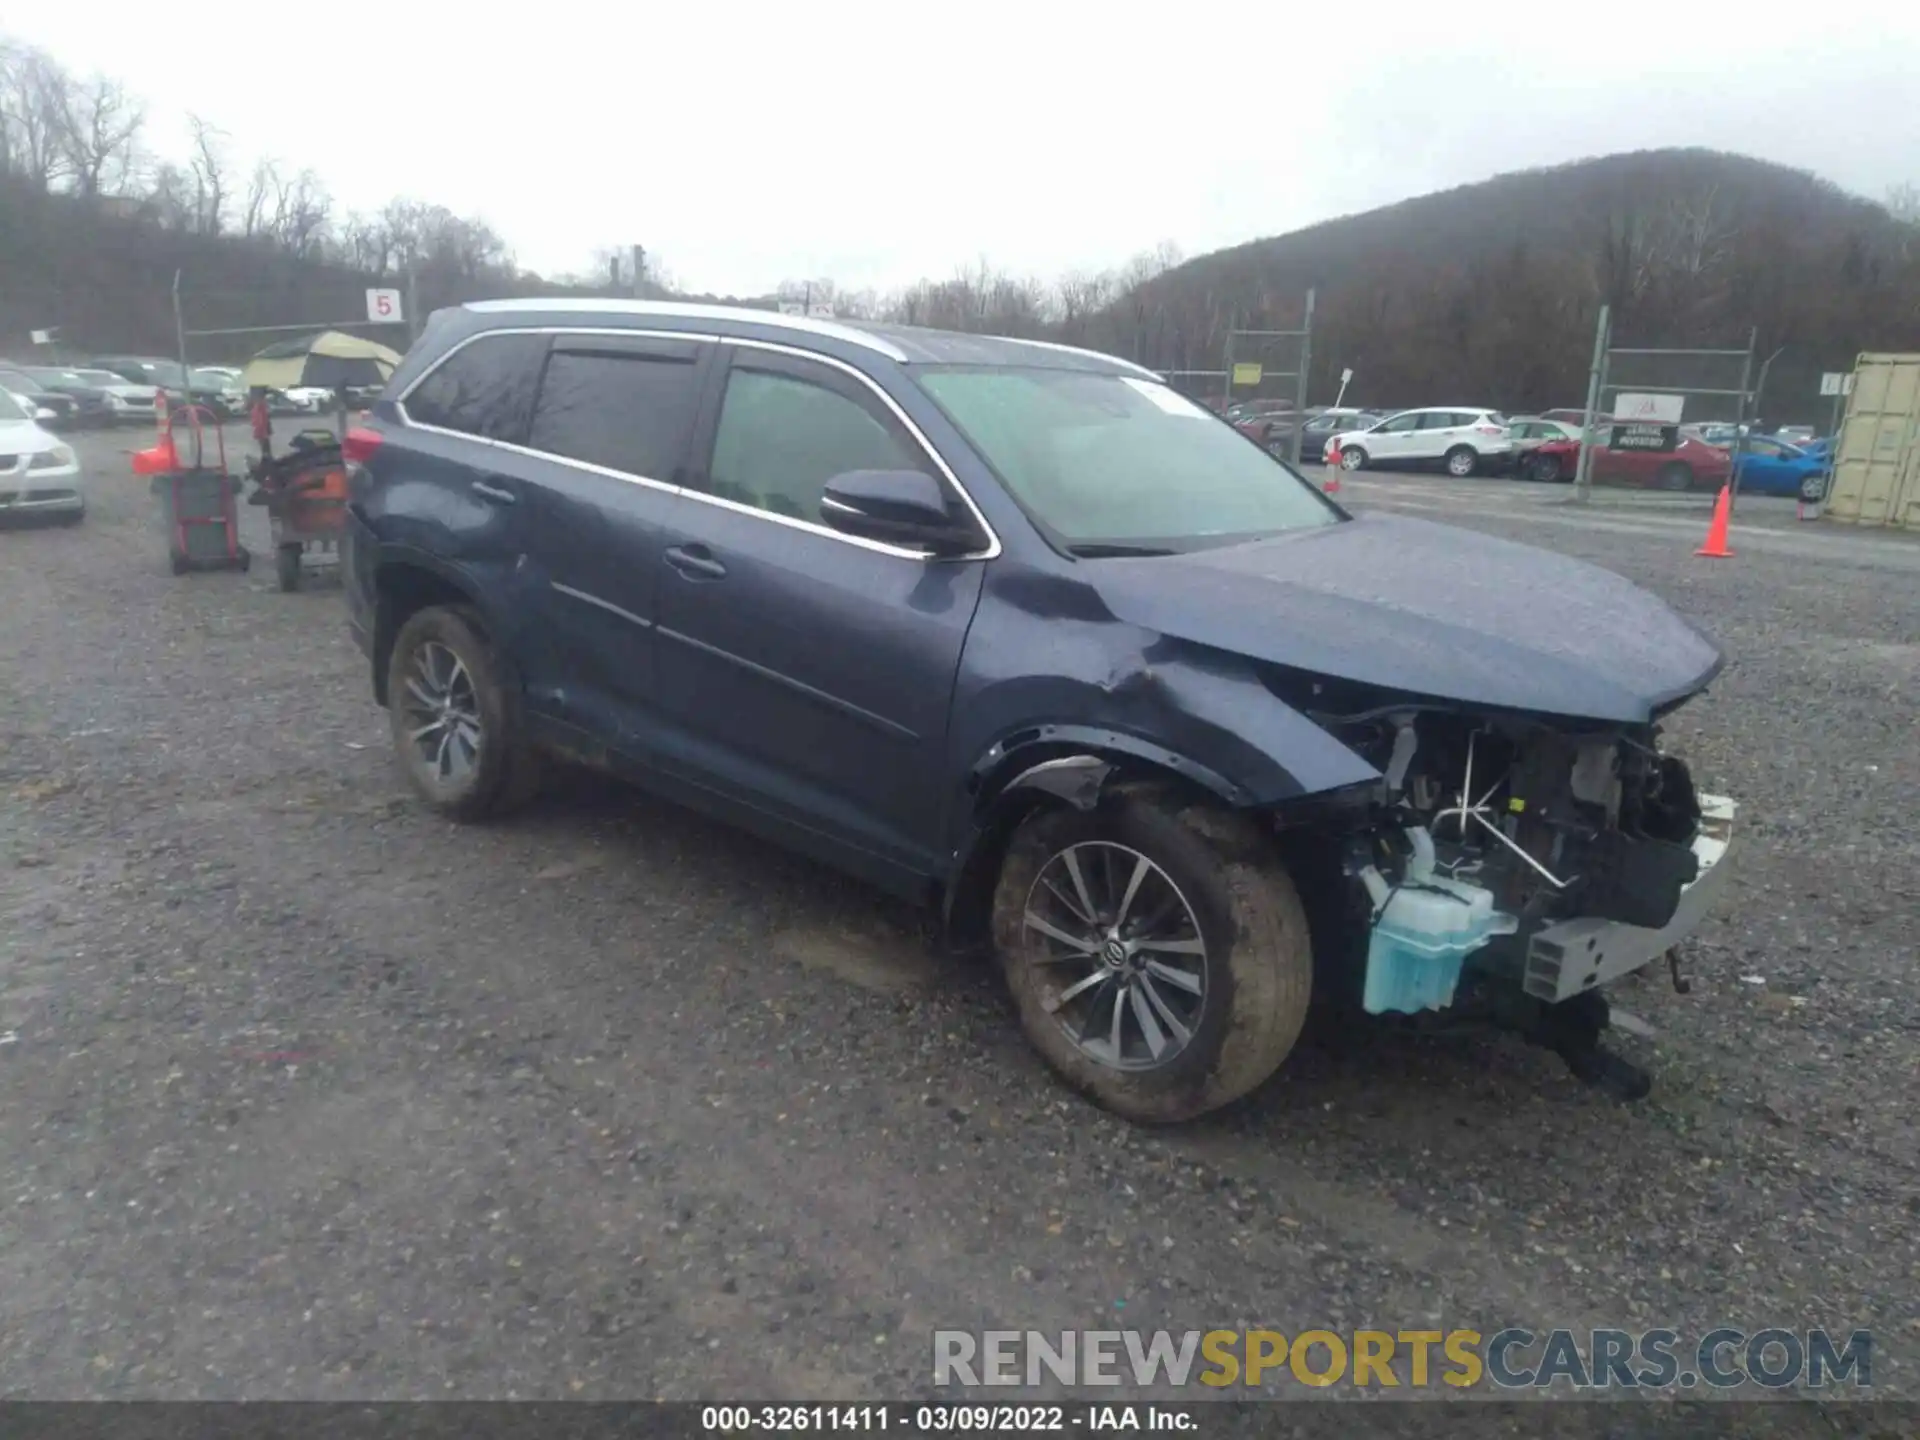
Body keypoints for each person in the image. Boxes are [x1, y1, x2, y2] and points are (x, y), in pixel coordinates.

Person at [249, 386, 273, 464]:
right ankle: (267, 457)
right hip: (261, 426)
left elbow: (261, 420)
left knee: (264, 443)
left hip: (261, 428)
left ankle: (267, 459)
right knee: (264, 444)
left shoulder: (260, 406)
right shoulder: (260, 405)